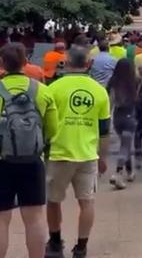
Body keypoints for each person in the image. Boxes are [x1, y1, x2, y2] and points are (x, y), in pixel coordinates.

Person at [45, 46, 110, 258]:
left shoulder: (53, 88)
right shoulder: (99, 91)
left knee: (53, 201)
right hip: (88, 154)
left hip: (58, 153)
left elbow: (46, 122)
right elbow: (104, 131)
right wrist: (103, 157)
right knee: (87, 202)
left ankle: (55, 243)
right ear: (88, 64)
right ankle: (81, 247)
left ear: (66, 62)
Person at [0, 43, 58, 258]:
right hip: (32, 161)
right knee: (34, 218)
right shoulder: (42, 91)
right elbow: (53, 128)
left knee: (2, 219)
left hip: (2, 162)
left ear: (2, 63)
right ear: (26, 62)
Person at [106, 58, 138, 190]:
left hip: (117, 117)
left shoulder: (113, 82)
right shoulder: (133, 82)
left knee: (125, 145)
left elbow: (111, 101)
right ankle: (118, 172)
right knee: (125, 146)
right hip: (130, 116)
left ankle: (130, 172)